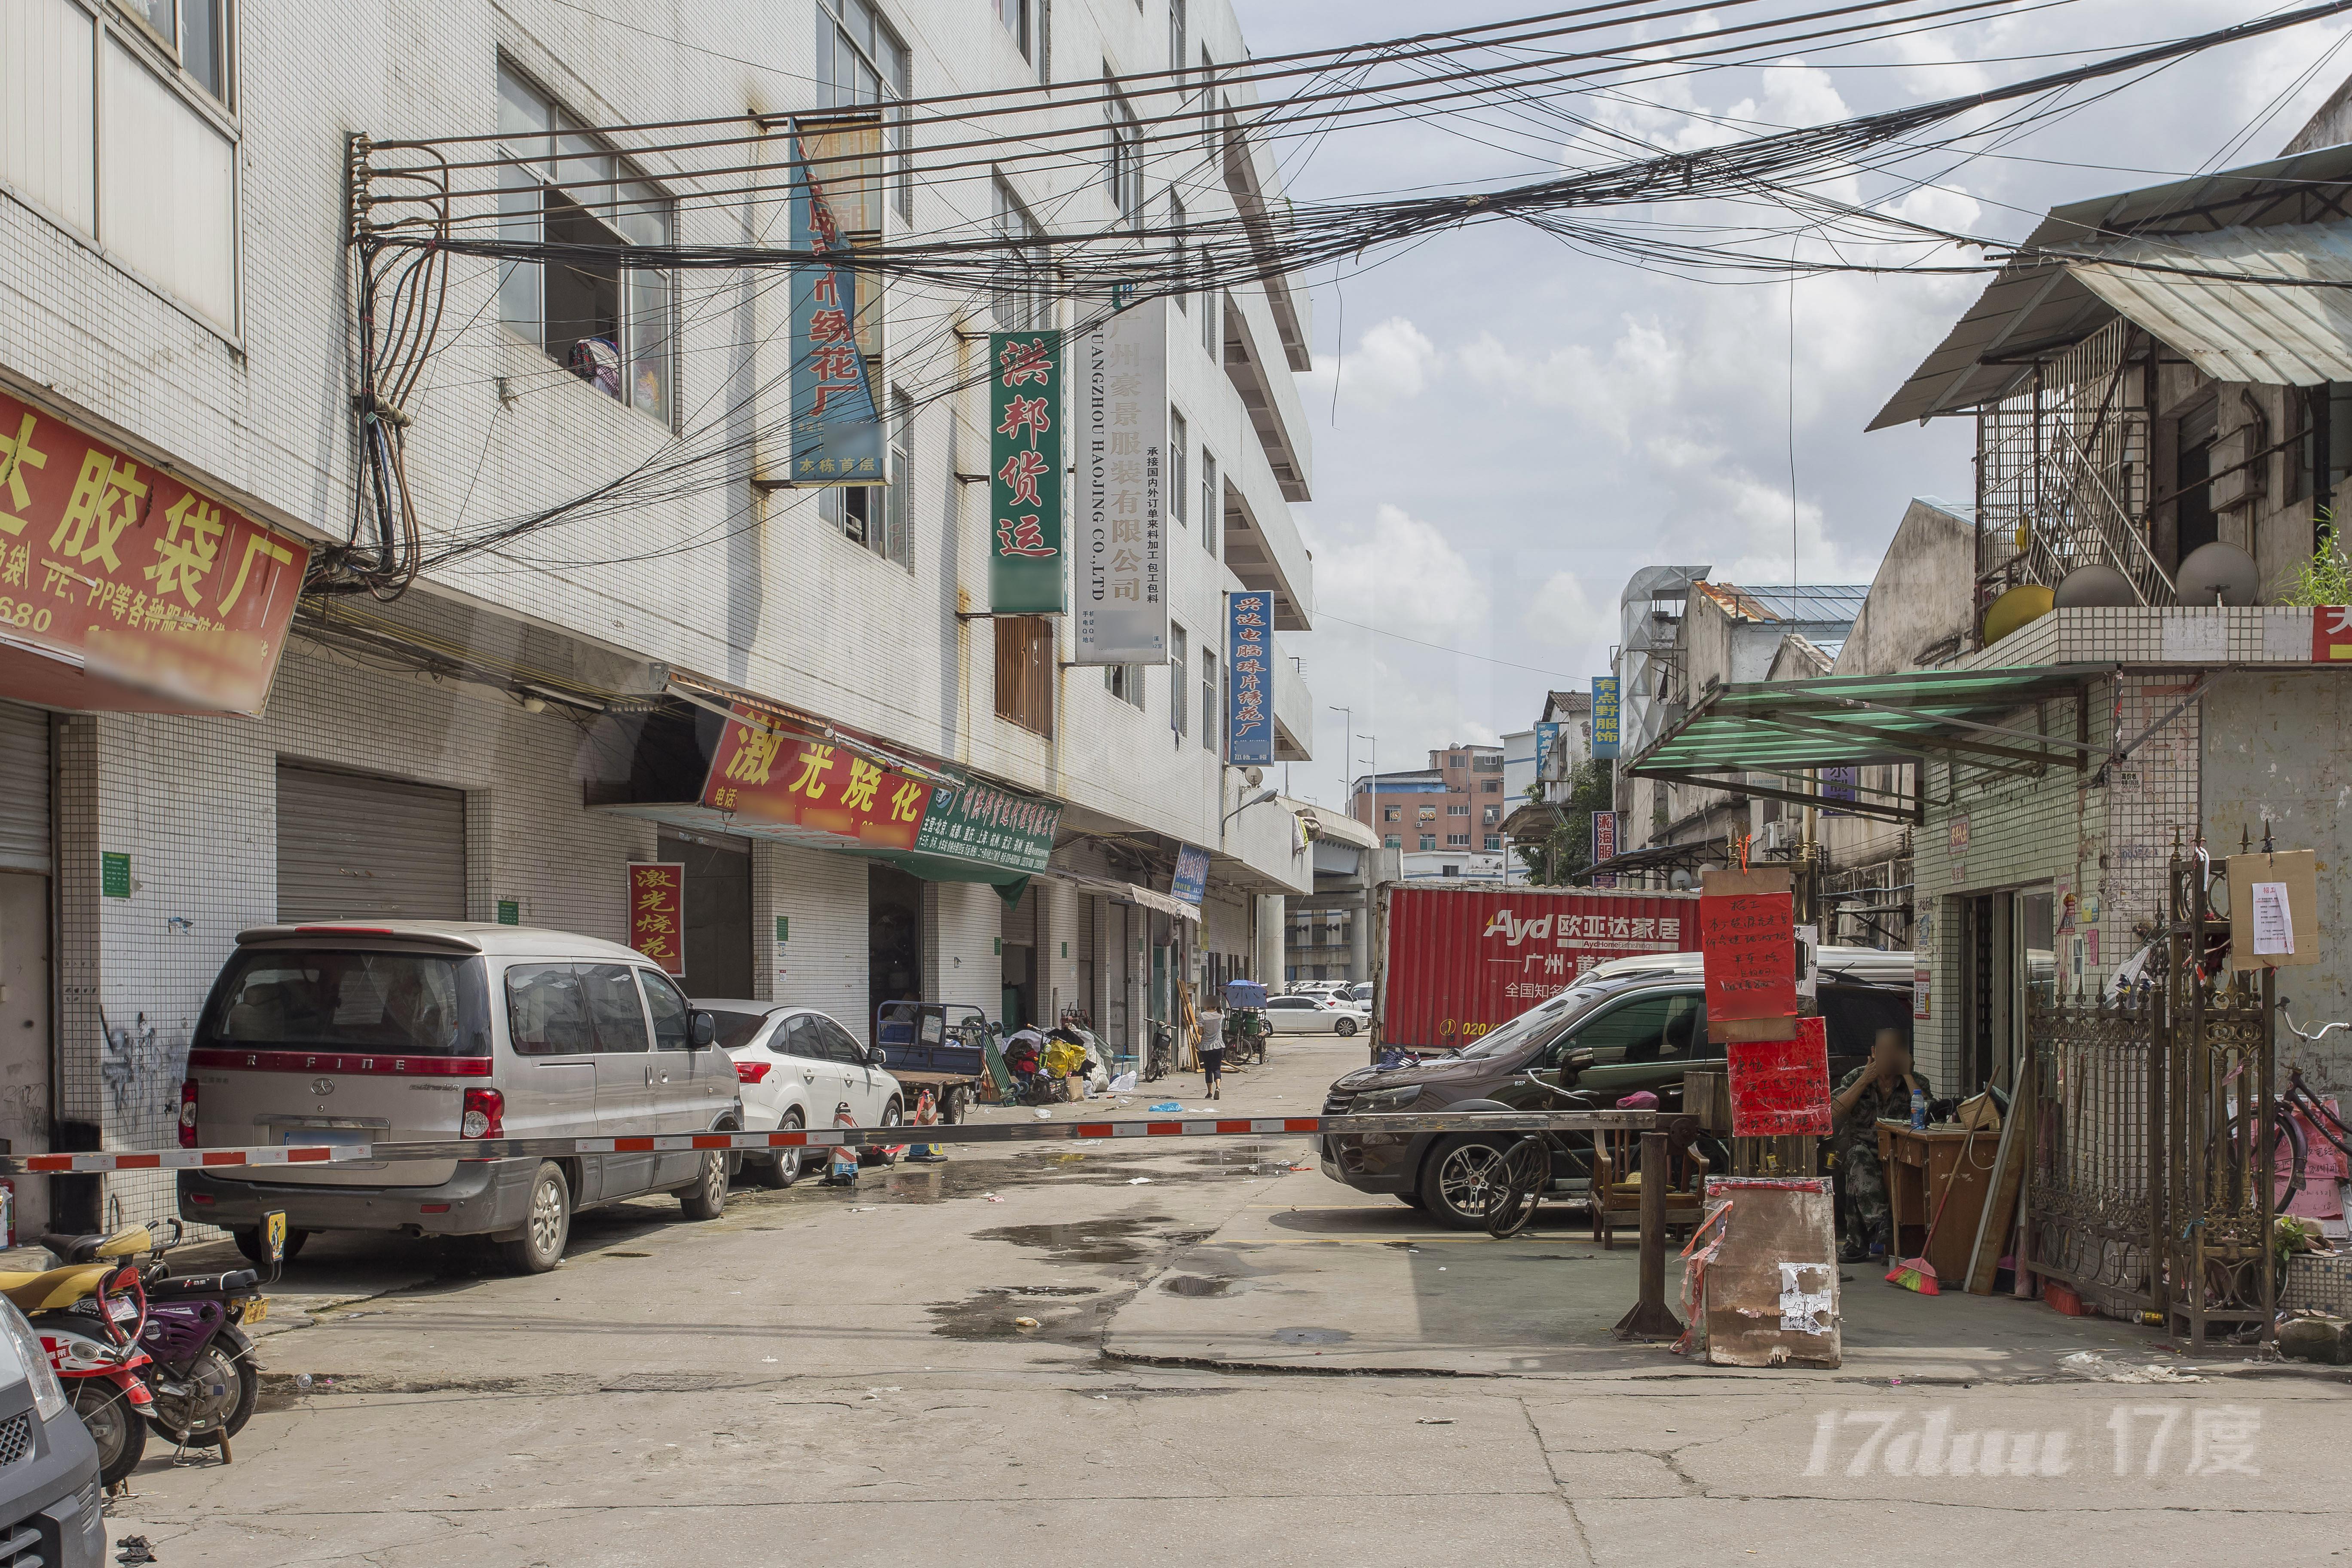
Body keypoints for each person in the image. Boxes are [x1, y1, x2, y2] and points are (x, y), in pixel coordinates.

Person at [1828, 1028, 1931, 1263]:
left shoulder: (1915, 1081)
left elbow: (1931, 1114)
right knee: (1858, 1160)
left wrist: (1907, 1075)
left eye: (1894, 1051)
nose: (1888, 1057)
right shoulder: (1856, 1077)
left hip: (1900, 1150)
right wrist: (1865, 1080)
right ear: (1874, 1053)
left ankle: (1870, 1240)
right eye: (1883, 1051)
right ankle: (1882, 1225)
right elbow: (1834, 1114)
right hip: (1862, 1148)